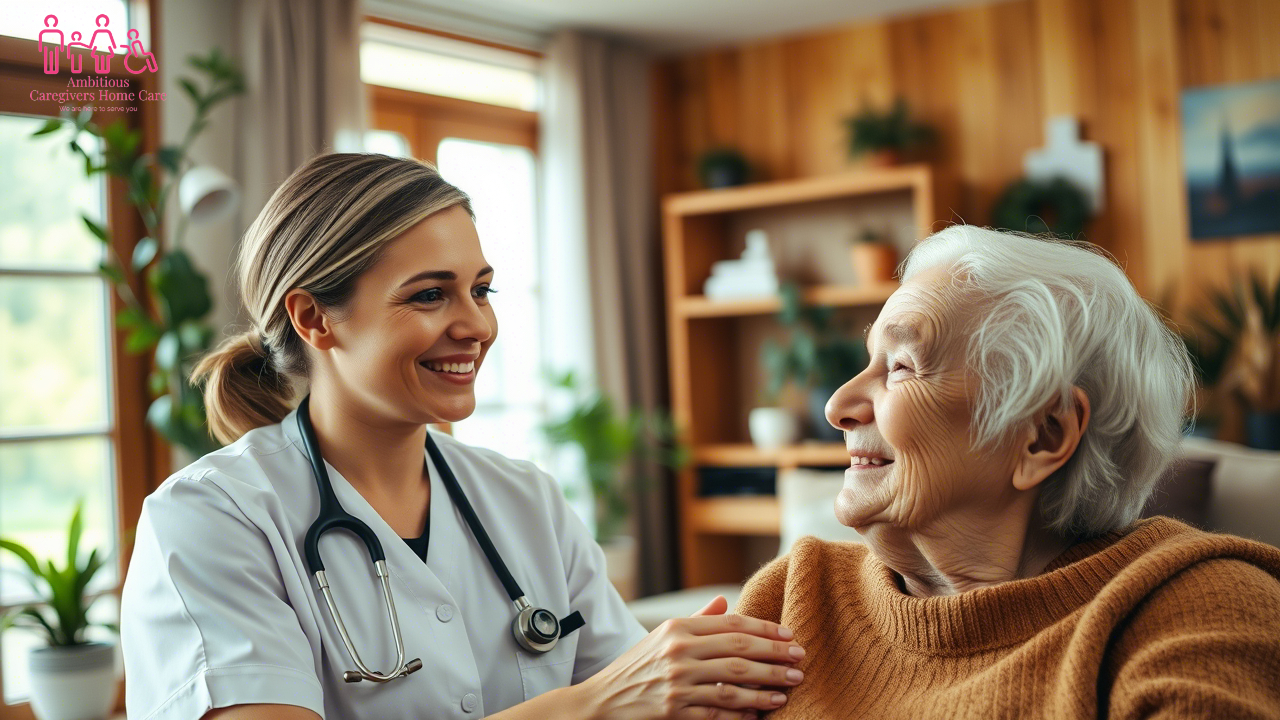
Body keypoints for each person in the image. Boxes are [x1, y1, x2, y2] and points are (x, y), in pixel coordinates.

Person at [120, 153, 805, 720]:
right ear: (314, 318)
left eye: (482, 290)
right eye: (429, 295)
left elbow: (651, 701)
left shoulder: (524, 500)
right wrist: (589, 706)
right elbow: (617, 697)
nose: (476, 325)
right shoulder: (210, 520)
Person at [735, 225, 1280, 718]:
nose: (837, 405)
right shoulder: (796, 596)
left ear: (1043, 435)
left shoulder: (1200, 616)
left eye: (901, 366)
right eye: (869, 360)